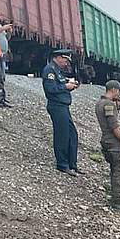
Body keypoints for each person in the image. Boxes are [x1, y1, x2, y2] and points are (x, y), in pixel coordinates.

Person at [42, 48, 81, 176]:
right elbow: (50, 89)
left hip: (64, 106)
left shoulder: (58, 70)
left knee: (72, 134)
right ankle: (62, 164)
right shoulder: (50, 70)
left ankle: (72, 164)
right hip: (57, 106)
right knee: (61, 135)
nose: (66, 63)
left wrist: (71, 84)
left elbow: (61, 83)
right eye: (65, 60)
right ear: (57, 57)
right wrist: (65, 86)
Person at [96, 80, 120, 210]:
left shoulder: (100, 103)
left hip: (105, 141)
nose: (119, 93)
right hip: (113, 143)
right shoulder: (108, 104)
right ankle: (116, 201)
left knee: (115, 171)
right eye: (118, 91)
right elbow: (114, 126)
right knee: (118, 172)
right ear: (113, 90)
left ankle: (119, 198)